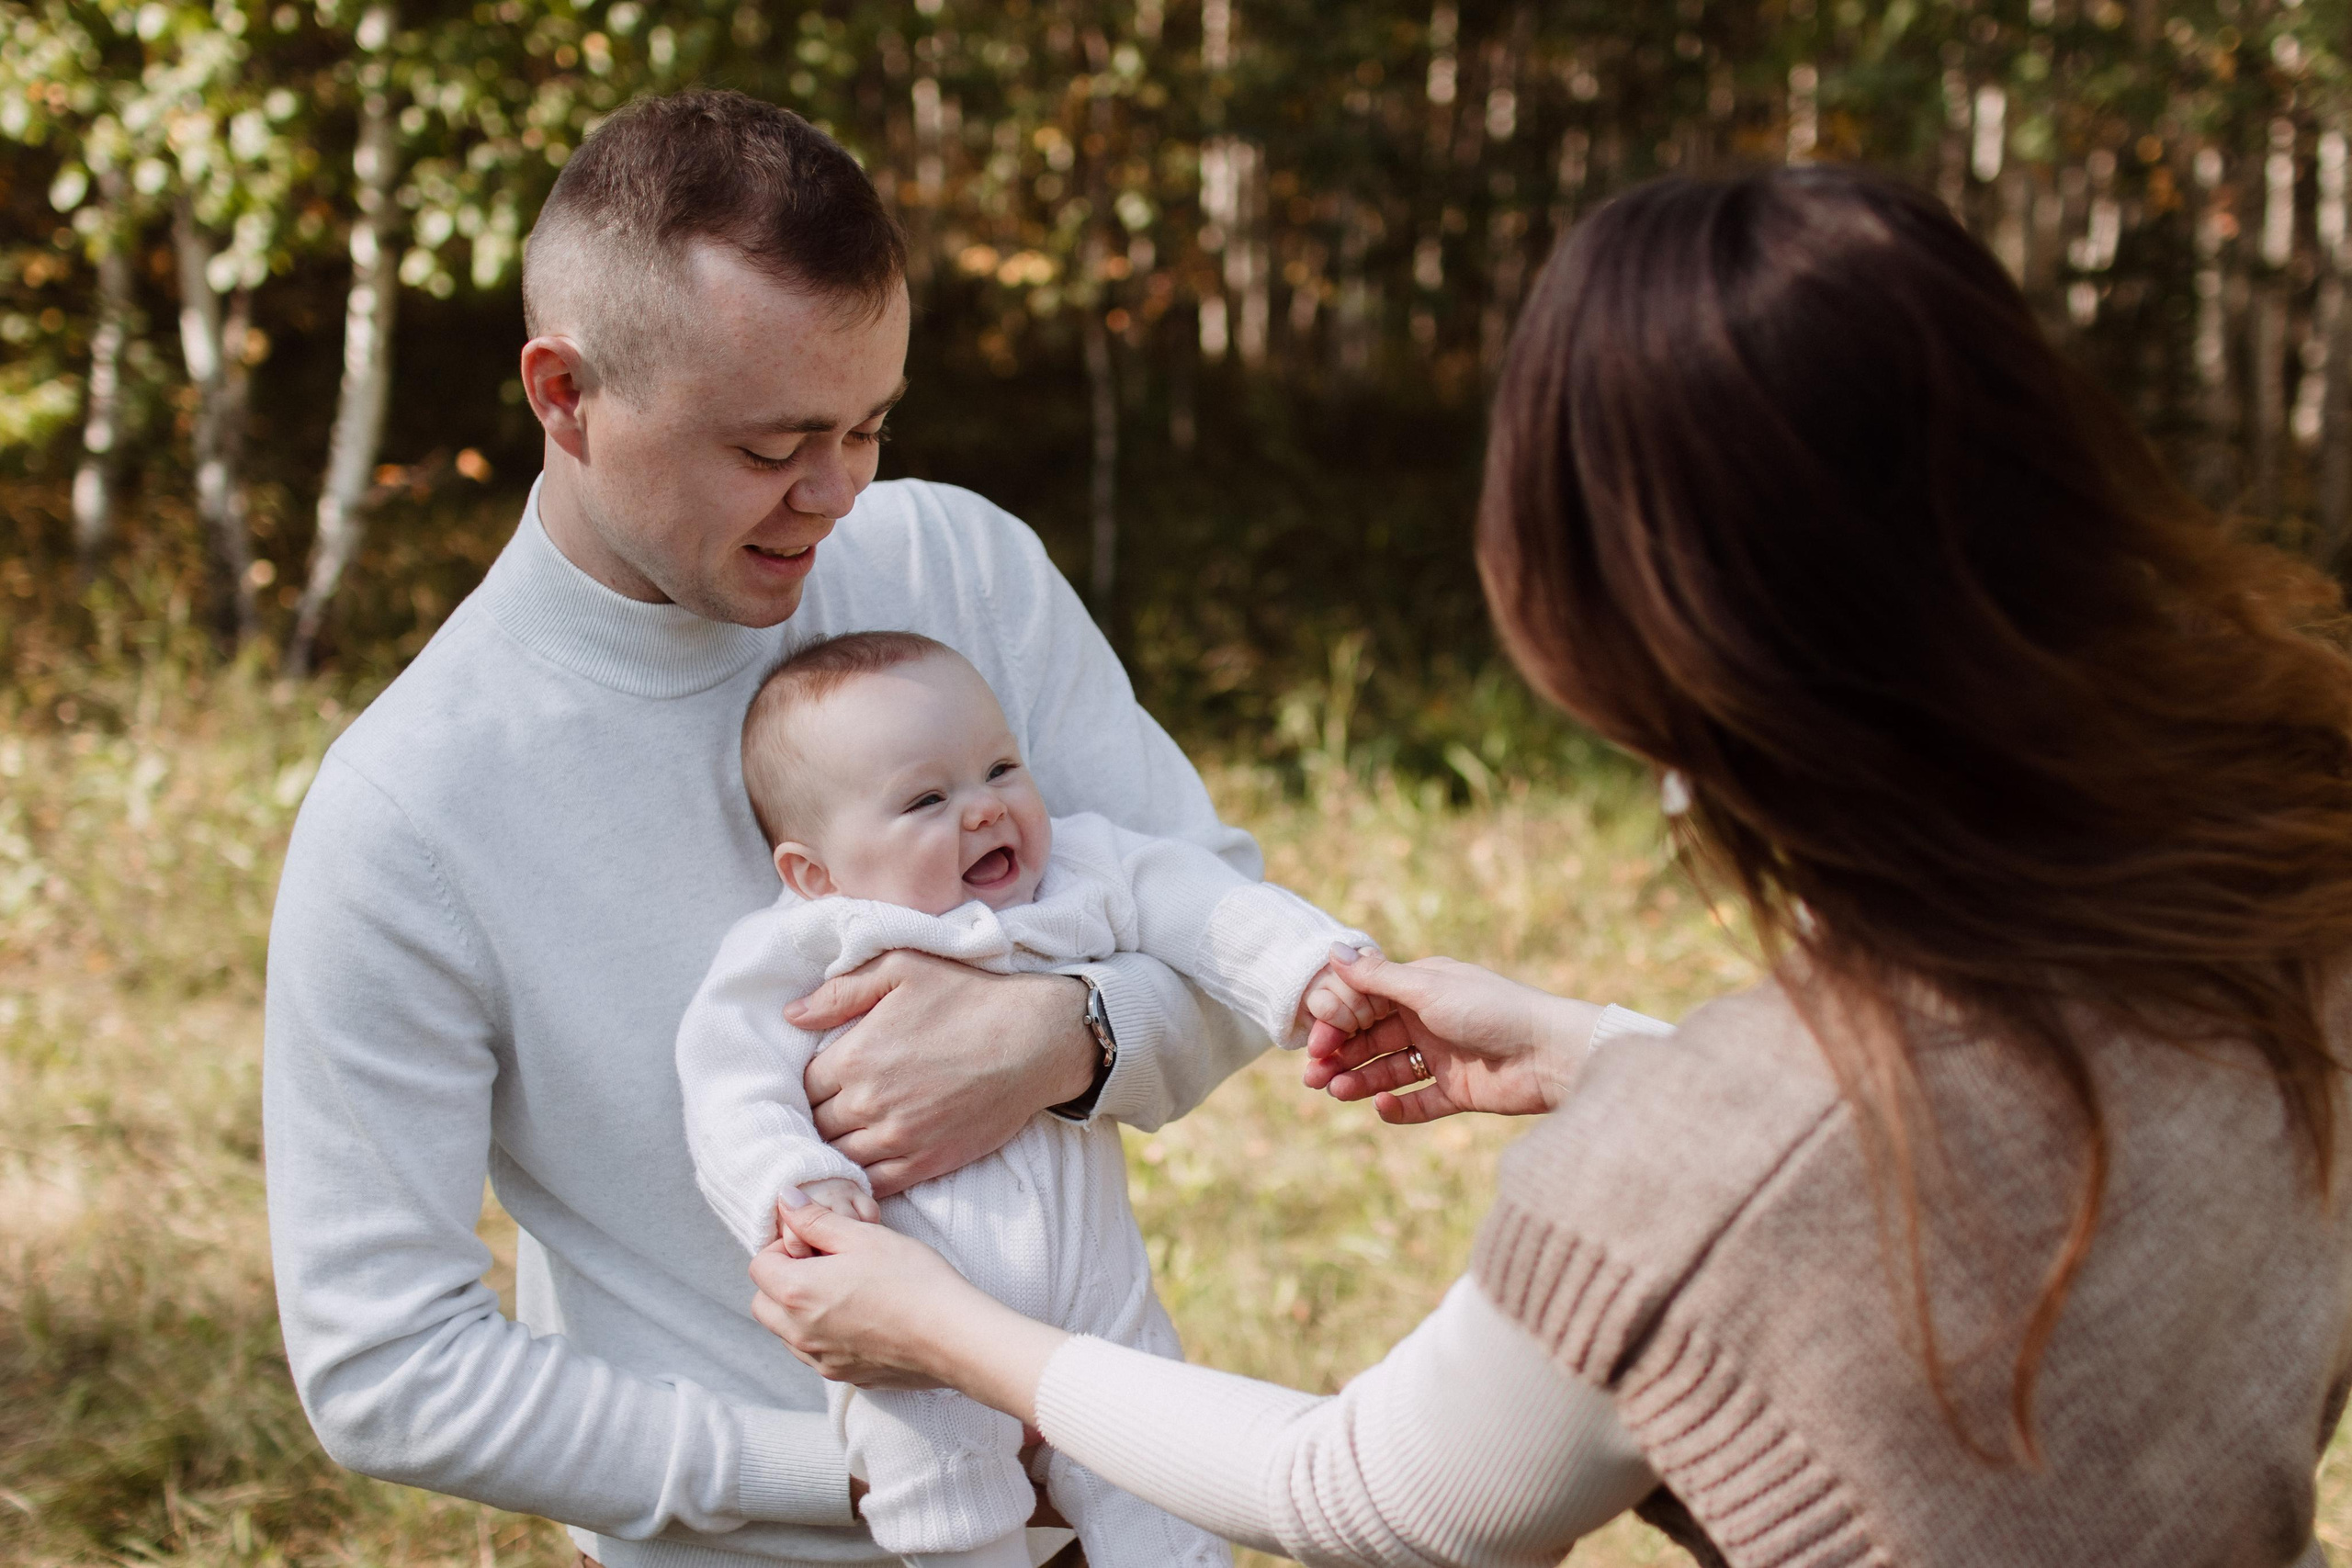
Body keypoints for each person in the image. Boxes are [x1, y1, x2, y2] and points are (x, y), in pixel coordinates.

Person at [745, 165, 2352, 1568]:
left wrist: (943, 1327)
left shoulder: (1687, 1176)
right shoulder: (2290, 858)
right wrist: (1602, 1054)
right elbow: (1957, 1139)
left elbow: (1374, 1491)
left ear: (1636, 636)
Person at [262, 90, 1280, 1568]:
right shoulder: (409, 814)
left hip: (1119, 1514)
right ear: (564, 394)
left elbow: (1229, 925)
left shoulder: (960, 565)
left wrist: (1062, 1040)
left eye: (870, 423)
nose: (838, 491)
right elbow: (386, 1366)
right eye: (773, 445)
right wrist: (849, 1474)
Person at [675, 631, 1389, 1568]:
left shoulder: (1077, 875)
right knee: (936, 1469)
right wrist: (795, 1185)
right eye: (928, 799)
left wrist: (1302, 967)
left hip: (1093, 1283)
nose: (984, 811)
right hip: (902, 1302)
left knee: (1145, 1447)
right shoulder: (804, 949)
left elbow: (1197, 900)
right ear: (814, 873)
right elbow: (727, 1083)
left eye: (1000, 769)